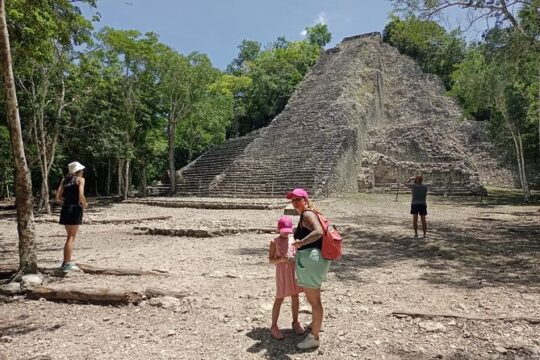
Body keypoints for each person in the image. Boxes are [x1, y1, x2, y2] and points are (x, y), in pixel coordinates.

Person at [287, 188, 331, 350]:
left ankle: (314, 337)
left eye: (298, 199)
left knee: (314, 301)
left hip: (311, 259)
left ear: (305, 200)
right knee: (315, 298)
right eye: (293, 200)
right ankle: (316, 325)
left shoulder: (306, 214)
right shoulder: (310, 213)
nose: (295, 202)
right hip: (316, 259)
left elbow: (318, 232)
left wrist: (300, 242)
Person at [268, 215, 304, 340]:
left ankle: (295, 322)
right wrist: (282, 259)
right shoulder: (274, 242)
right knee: (279, 298)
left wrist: (298, 250)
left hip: (293, 272)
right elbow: (271, 260)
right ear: (279, 230)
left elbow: (297, 253)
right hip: (282, 272)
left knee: (295, 296)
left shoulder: (292, 239)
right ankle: (274, 326)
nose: (286, 234)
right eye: (283, 232)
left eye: (288, 232)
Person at [55, 161, 88, 271]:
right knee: (71, 237)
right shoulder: (80, 180)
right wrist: (85, 204)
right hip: (75, 209)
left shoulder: (64, 180)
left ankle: (65, 261)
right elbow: (81, 195)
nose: (83, 172)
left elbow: (58, 197)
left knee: (69, 236)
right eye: (81, 170)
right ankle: (67, 264)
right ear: (78, 171)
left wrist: (68, 200)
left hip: (65, 209)